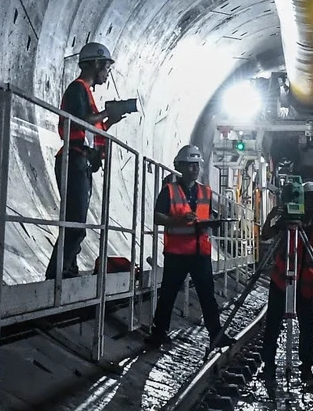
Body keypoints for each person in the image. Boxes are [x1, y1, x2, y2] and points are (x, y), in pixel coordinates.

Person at [48, 41, 131, 277]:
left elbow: (89, 130)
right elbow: (80, 121)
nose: (107, 72)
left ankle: (67, 270)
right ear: (96, 63)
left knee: (77, 223)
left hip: (81, 161)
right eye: (106, 67)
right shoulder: (77, 89)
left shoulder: (85, 93)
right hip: (73, 159)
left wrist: (110, 122)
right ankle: (57, 275)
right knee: (74, 224)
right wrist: (107, 113)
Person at [147, 144, 224, 349]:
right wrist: (179, 220)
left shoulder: (205, 192)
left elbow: (207, 215)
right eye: (190, 165)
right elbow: (157, 217)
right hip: (177, 253)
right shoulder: (169, 191)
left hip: (200, 252)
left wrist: (213, 221)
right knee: (169, 294)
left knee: (208, 296)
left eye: (196, 165)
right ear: (180, 166)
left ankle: (216, 334)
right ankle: (158, 334)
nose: (194, 169)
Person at [264, 180, 313, 388]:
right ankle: (268, 366)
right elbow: (266, 234)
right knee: (273, 323)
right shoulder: (287, 222)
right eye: (309, 197)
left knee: (308, 325)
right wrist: (273, 216)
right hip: (281, 280)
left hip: (306, 284)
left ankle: (306, 368)